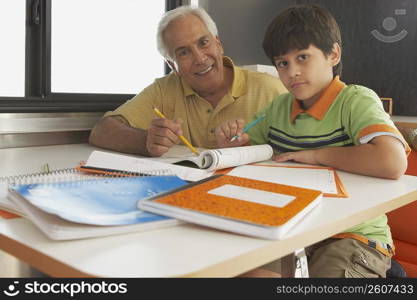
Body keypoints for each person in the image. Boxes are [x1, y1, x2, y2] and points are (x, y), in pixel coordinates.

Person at [215, 4, 410, 277]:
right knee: (245, 271)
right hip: (292, 227)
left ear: (333, 54)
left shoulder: (356, 100)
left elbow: (392, 162)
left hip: (353, 234)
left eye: (303, 57)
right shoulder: (278, 107)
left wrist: (318, 155)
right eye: (282, 63)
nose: (292, 71)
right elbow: (251, 150)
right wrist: (232, 145)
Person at [89, 5, 287, 157]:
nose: (200, 59)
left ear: (218, 43)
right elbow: (101, 131)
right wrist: (146, 141)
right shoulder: (164, 90)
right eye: (183, 52)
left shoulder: (269, 90)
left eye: (203, 42)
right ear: (172, 65)